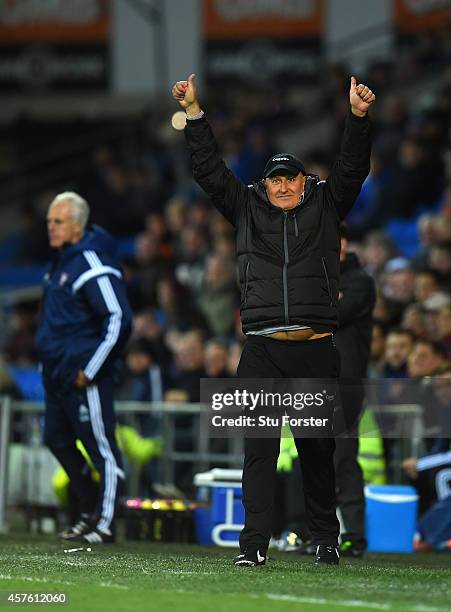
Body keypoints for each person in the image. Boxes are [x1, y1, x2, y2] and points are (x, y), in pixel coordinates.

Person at [173, 73, 375, 566]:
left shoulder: (328, 204)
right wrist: (195, 114)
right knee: (258, 454)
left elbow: (352, 167)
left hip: (313, 347)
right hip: (262, 349)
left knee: (317, 452)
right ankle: (253, 547)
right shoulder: (244, 207)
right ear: (264, 184)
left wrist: (359, 117)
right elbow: (208, 170)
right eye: (275, 180)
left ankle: (326, 539)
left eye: (291, 178)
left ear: (306, 181)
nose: (283, 186)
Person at [36, 192, 132, 544]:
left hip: (83, 376)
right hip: (56, 375)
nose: (51, 227)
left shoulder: (91, 262)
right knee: (55, 439)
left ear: (77, 225)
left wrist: (91, 369)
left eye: (58, 221)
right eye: (49, 221)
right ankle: (89, 508)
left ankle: (105, 523)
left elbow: (119, 317)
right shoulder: (60, 263)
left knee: (101, 449)